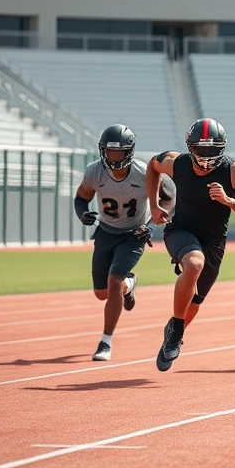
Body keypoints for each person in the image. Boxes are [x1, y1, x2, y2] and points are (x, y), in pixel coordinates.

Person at [146, 118, 235, 372]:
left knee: (195, 303)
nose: (206, 157)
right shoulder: (176, 163)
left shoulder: (233, 171)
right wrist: (154, 204)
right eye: (201, 150)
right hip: (181, 230)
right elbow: (152, 166)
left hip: (214, 242)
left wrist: (229, 200)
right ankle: (176, 331)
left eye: (213, 151)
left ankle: (175, 327)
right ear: (190, 147)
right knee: (194, 263)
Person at [74, 125, 155, 361]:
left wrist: (149, 227)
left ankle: (105, 342)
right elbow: (81, 197)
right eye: (109, 152)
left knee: (113, 279)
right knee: (102, 293)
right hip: (106, 232)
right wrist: (83, 213)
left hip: (133, 234)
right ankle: (129, 285)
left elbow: (166, 201)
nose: (114, 158)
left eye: (119, 153)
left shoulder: (143, 172)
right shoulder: (94, 172)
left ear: (129, 152)